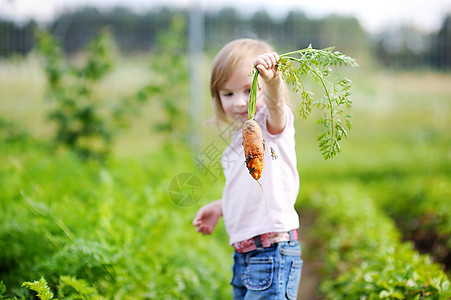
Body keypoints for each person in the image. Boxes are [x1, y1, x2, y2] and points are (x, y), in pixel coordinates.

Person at [193, 38, 302, 299]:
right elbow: (248, 189)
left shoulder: (270, 127)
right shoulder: (238, 139)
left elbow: (277, 110)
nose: (241, 102)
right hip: (244, 254)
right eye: (228, 94)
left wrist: (273, 81)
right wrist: (221, 206)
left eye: (251, 89)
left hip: (272, 251)